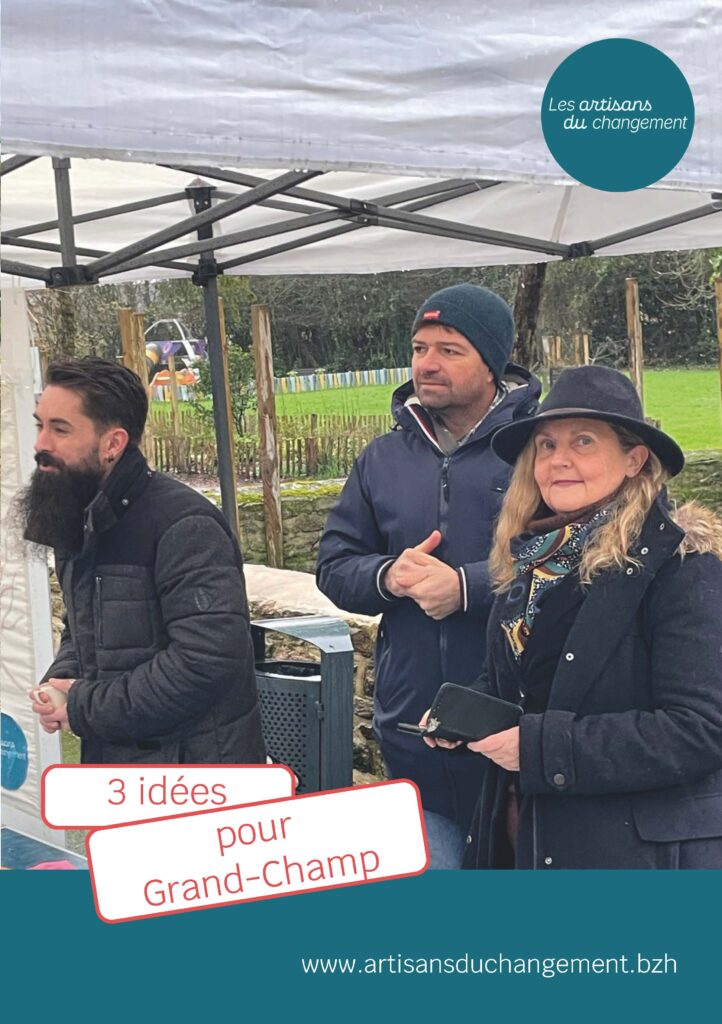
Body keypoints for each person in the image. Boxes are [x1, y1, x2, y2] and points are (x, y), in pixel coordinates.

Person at [427, 365, 722, 869]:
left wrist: (541, 751)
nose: (558, 460)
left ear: (634, 460)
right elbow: (523, 684)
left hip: (635, 866)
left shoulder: (681, 567)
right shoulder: (535, 562)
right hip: (529, 844)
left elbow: (701, 729)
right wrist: (465, 716)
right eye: (546, 445)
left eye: (583, 442)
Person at [316, 283, 541, 867]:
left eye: (449, 349)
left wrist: (467, 587)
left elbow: (579, 557)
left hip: (515, 740)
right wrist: (389, 575)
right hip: (413, 735)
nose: (427, 363)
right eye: (419, 348)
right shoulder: (381, 459)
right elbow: (333, 565)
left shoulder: (539, 450)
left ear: (492, 364)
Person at [23, 357, 266, 765]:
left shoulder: (185, 526)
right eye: (40, 425)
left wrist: (84, 704)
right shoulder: (79, 511)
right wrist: (63, 679)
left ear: (113, 444)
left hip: (195, 779)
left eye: (60, 429)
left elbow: (204, 662)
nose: (41, 444)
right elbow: (82, 627)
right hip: (120, 771)